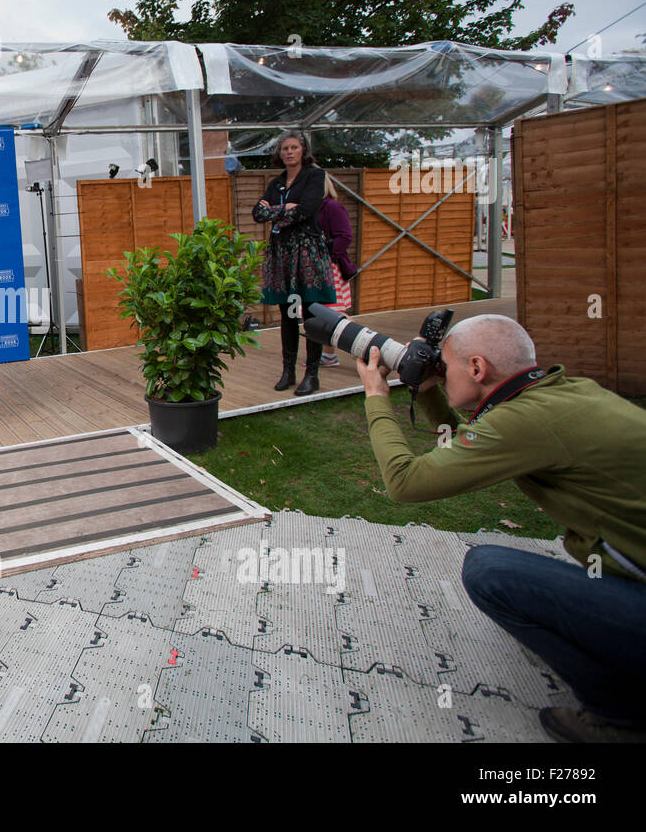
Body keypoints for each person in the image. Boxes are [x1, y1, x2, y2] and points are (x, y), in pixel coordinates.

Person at [354, 314, 646, 742]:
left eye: (444, 364)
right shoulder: (562, 393)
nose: (438, 368)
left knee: (489, 572)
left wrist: (376, 396)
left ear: (476, 368)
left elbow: (405, 482)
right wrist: (433, 390)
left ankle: (619, 715)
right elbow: (462, 442)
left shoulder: (523, 422)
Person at [252, 133, 335, 395]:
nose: (289, 152)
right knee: (287, 313)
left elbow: (306, 210)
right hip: (281, 254)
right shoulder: (276, 182)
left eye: (294, 148)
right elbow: (257, 214)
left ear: (303, 151)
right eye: (285, 148)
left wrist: (275, 212)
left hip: (307, 252)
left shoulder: (314, 176)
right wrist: (285, 207)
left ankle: (312, 374)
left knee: (311, 313)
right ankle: (288, 371)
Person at [315, 176, 358, 368]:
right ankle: (328, 356)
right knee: (321, 316)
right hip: (311, 271)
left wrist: (327, 257)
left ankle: (365, 349)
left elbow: (345, 236)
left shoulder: (332, 207)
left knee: (335, 316)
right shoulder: (308, 208)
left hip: (327, 270)